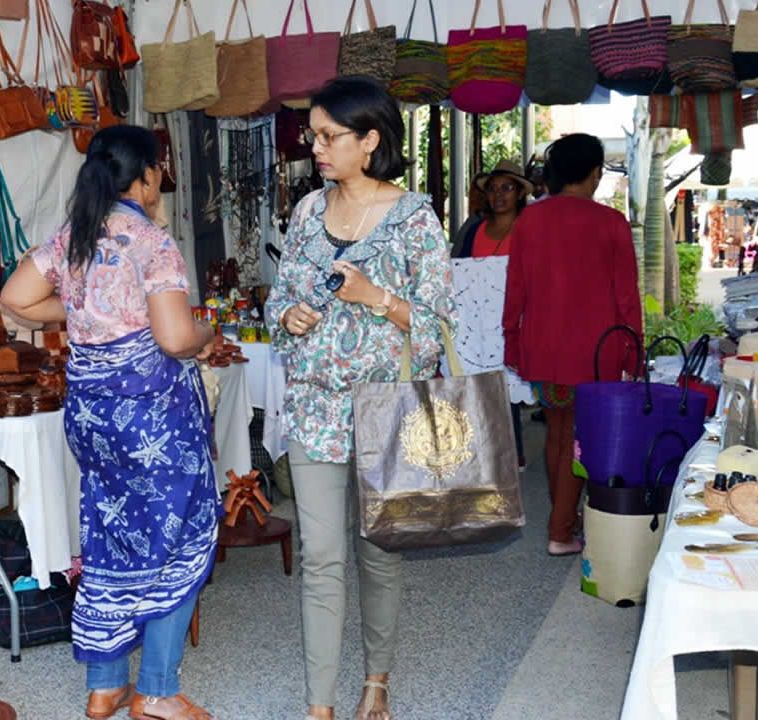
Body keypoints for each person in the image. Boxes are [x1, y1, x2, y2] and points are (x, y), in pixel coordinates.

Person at [0, 126, 220, 720]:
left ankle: (103, 686)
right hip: (152, 421)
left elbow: (14, 298)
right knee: (176, 538)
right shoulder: (152, 242)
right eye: (158, 173)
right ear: (145, 176)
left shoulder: (75, 235)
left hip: (93, 417)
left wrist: (77, 311)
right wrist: (206, 334)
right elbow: (174, 337)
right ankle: (156, 691)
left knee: (108, 536)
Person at [265, 76, 455, 720]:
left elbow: (436, 326)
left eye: (327, 136)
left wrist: (375, 297)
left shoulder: (415, 218)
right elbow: (277, 298)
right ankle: (319, 705)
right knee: (321, 556)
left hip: (389, 412)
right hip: (315, 406)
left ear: (370, 140)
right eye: (312, 135)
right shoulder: (304, 213)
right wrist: (288, 316)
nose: (314, 147)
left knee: (380, 553)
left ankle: (377, 678)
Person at [502, 133, 642, 557]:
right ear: (595, 172)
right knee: (579, 439)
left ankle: (565, 520)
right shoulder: (611, 222)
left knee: (559, 433)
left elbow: (516, 290)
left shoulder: (529, 220)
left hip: (543, 348)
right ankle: (561, 529)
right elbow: (626, 297)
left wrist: (512, 340)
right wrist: (634, 352)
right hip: (597, 352)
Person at [453, 159, 533, 470]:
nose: (498, 195)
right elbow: (456, 268)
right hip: (475, 320)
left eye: (507, 189)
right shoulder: (473, 228)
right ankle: (477, 450)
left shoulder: (528, 228)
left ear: (520, 193)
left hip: (515, 316)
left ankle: (512, 450)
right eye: (493, 189)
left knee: (507, 381)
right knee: (476, 382)